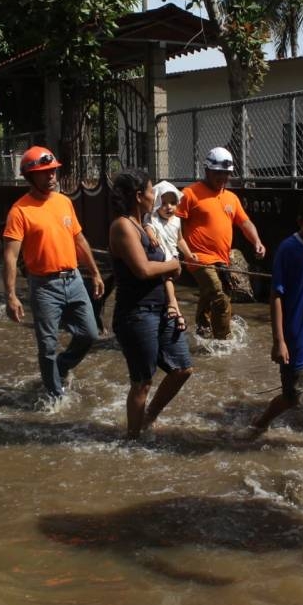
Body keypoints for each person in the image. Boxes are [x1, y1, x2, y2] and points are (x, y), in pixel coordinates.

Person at [3, 146, 103, 398]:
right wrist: (11, 296)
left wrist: (95, 272)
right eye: (44, 172)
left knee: (89, 333)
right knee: (47, 345)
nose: (51, 176)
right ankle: (54, 396)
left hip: (75, 279)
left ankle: (62, 366)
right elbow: (11, 256)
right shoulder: (19, 211)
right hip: (44, 286)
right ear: (30, 176)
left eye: (53, 171)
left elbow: (79, 239)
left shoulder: (64, 202)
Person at [246, 192, 303, 452]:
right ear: (301, 222)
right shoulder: (288, 250)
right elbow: (277, 295)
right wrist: (279, 341)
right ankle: (262, 421)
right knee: (293, 397)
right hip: (298, 335)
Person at [108, 169, 194, 439]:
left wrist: (174, 305)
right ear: (138, 196)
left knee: (182, 369)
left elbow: (163, 271)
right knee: (142, 382)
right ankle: (132, 441)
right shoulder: (122, 226)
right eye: (150, 190)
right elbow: (144, 270)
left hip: (161, 309)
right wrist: (173, 264)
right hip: (137, 313)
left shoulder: (144, 224)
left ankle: (149, 417)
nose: (154, 195)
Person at [176, 147, 266, 339]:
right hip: (197, 258)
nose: (223, 178)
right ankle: (224, 341)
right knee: (220, 297)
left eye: (226, 174)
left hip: (221, 259)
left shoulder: (231, 198)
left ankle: (202, 329)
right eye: (218, 173)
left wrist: (257, 241)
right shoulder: (190, 193)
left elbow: (245, 222)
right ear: (207, 170)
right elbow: (175, 222)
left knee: (213, 294)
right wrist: (182, 249)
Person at [148, 180, 193, 261]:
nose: (169, 207)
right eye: (163, 203)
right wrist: (151, 236)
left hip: (174, 256)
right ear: (156, 204)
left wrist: (189, 254)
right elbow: (147, 227)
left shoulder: (177, 220)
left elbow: (180, 240)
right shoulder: (153, 218)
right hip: (159, 256)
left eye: (172, 203)